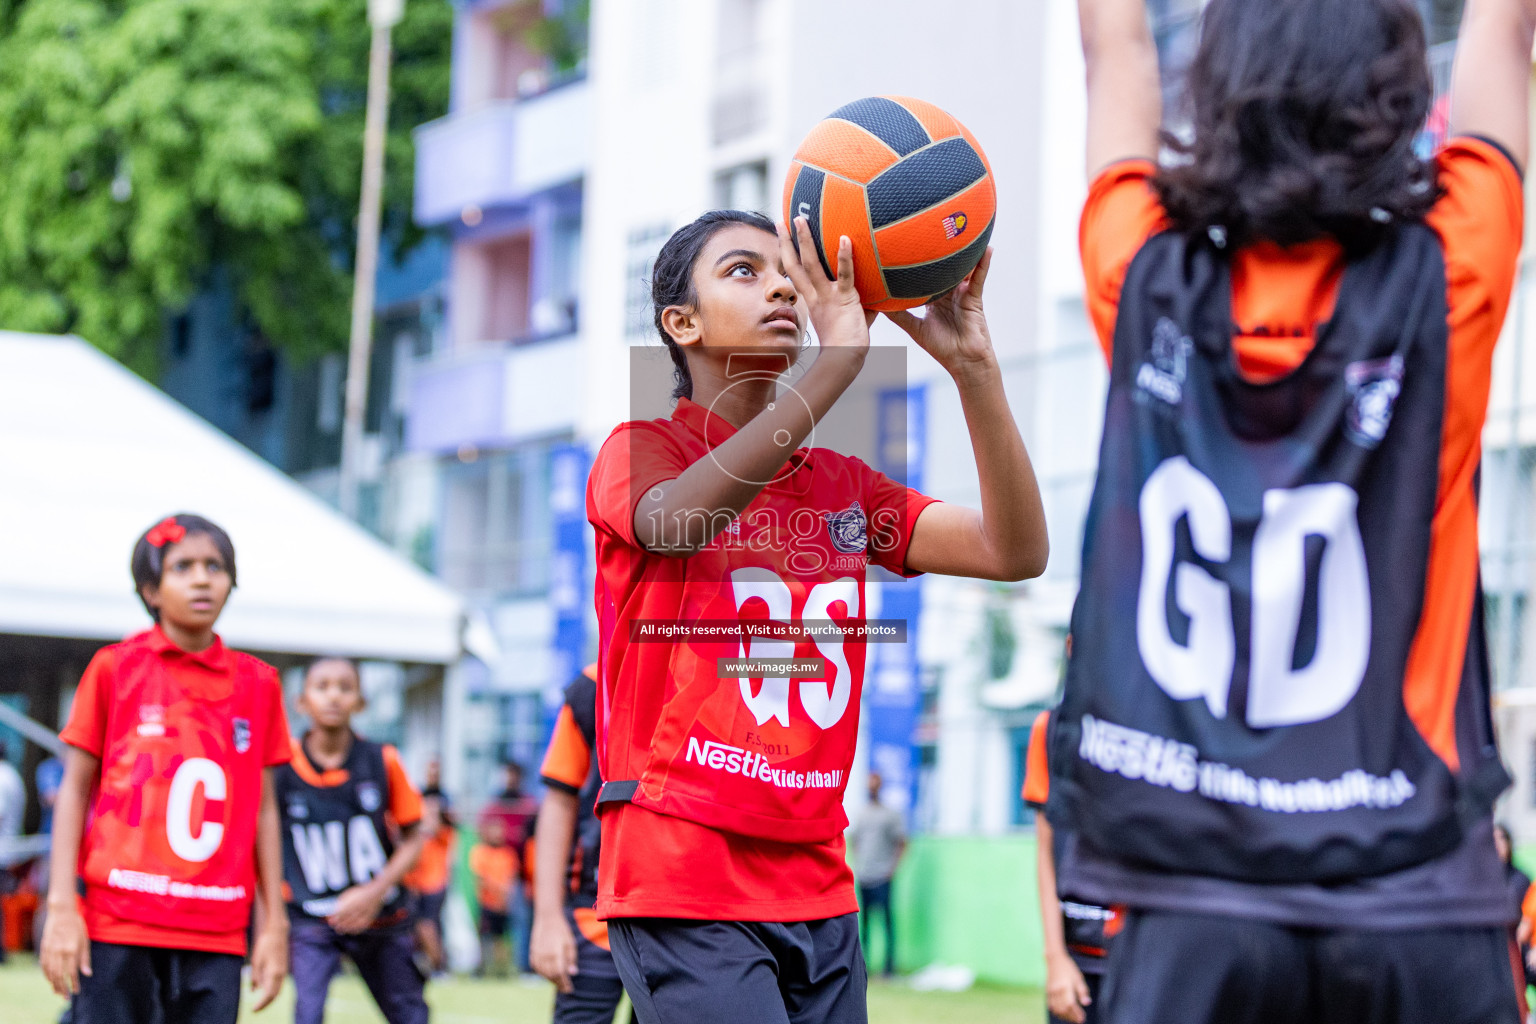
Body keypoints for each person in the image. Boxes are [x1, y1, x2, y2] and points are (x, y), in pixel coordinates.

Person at [1056, 1, 1534, 1021]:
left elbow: (1117, 48)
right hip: (1415, 889)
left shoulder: (1145, 282)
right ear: (1401, 96)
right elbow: (1504, 30)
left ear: (1215, 93)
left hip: (1197, 898)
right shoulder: (1449, 276)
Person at [586, 207, 1048, 1024]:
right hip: (684, 861)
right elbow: (671, 523)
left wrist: (973, 366)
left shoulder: (841, 487)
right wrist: (837, 369)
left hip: (817, 877)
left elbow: (1012, 553)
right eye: (743, 271)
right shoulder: (641, 448)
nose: (780, 290)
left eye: (786, 276)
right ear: (679, 322)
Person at [38, 513, 289, 1022]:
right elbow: (73, 792)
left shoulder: (260, 684)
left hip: (217, 928)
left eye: (214, 565)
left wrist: (274, 924)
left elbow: (263, 809)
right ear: (151, 590)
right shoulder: (115, 668)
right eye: (182, 567)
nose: (201, 578)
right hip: (118, 924)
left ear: (231, 581)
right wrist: (63, 906)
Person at [277, 657, 428, 1024]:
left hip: (380, 914)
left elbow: (416, 837)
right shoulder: (280, 766)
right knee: (307, 1013)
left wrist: (373, 892)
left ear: (361, 702)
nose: (333, 697)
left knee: (409, 1013)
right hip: (312, 916)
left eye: (345, 688)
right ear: (301, 701)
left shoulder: (383, 760)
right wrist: (272, 923)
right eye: (322, 687)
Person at [531, 664, 628, 1024]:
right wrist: (547, 918)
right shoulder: (594, 684)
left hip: (692, 921)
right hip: (597, 912)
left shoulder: (726, 669)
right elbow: (559, 800)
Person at [1023, 708, 1119, 1024]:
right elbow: (1046, 850)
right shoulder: (1051, 727)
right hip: (1076, 961)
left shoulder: (1159, 716)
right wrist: (1055, 957)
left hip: (1142, 957)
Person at [847, 772, 905, 979]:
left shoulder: (890, 815)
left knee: (887, 922)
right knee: (865, 924)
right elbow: (854, 840)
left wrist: (892, 868)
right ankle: (865, 966)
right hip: (865, 875)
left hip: (883, 876)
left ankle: (889, 968)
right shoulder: (861, 813)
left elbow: (902, 842)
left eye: (875, 784)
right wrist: (858, 863)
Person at [405, 765, 455, 976]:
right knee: (420, 927)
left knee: (428, 926)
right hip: (419, 885)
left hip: (434, 884)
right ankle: (431, 964)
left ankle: (438, 966)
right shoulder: (418, 835)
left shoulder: (443, 833)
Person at [469, 816, 518, 978]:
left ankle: (501, 970)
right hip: (486, 903)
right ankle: (482, 969)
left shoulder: (508, 854)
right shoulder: (480, 852)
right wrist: (499, 892)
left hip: (503, 905)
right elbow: (481, 879)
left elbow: (510, 879)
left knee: (501, 939)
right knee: (483, 938)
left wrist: (505, 896)